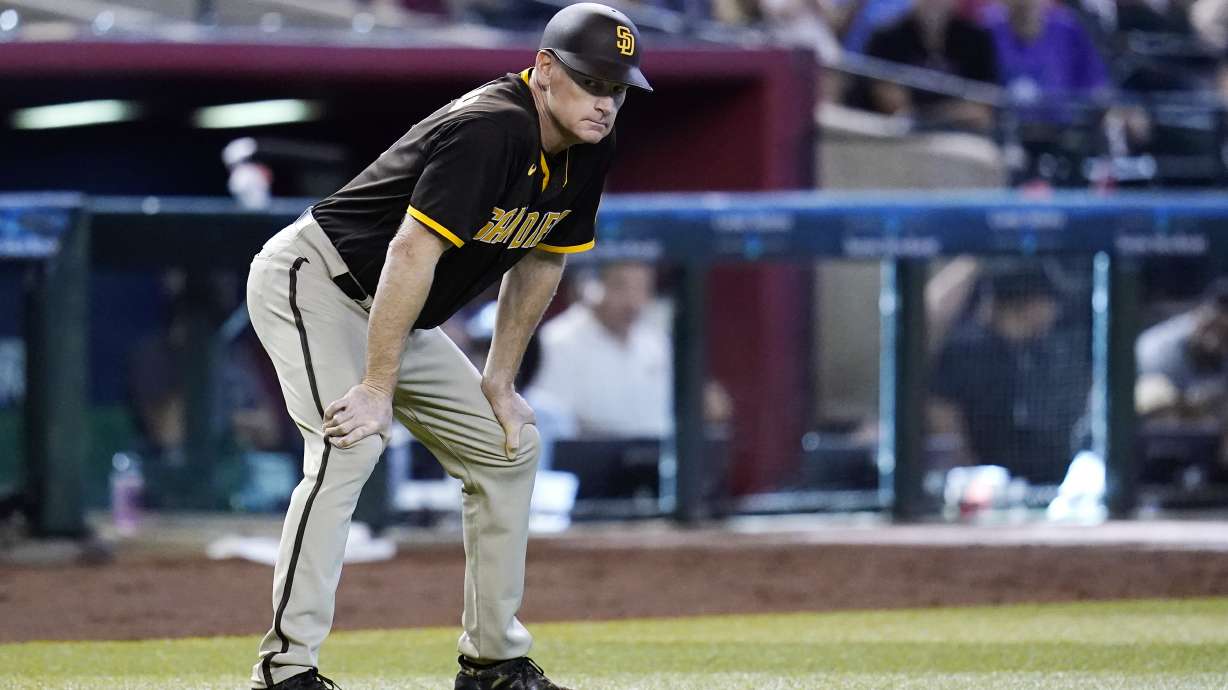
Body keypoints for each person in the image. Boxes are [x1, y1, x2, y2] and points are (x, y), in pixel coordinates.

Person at [243, 4, 651, 689]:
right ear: (545, 71)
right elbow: (410, 251)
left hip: (394, 311)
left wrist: (500, 379)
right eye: (591, 82)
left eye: (616, 88)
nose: (605, 102)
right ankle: (284, 673)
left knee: (507, 448)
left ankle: (492, 663)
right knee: (351, 443)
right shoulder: (491, 127)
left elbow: (544, 257)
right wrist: (376, 387)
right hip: (316, 281)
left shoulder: (589, 142)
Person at [928, 265, 1089, 483]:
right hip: (984, 477)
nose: (1053, 311)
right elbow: (941, 409)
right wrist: (968, 468)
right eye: (1048, 301)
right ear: (1030, 302)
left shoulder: (1040, 351)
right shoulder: (968, 348)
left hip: (1041, 477)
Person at [536, 261, 673, 439]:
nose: (632, 302)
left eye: (641, 287)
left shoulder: (657, 342)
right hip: (587, 461)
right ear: (589, 286)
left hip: (656, 458)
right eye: (619, 286)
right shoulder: (557, 341)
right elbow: (552, 422)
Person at [855, 0, 999, 131]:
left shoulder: (977, 39)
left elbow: (981, 108)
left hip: (961, 139)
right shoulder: (886, 37)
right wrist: (954, 113)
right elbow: (895, 109)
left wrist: (922, 116)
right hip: (898, 138)